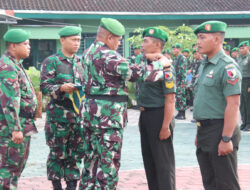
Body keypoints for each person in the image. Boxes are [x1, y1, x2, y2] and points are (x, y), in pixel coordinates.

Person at [80, 18, 170, 190]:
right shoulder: (109, 56)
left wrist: (145, 57)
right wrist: (160, 63)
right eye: (118, 40)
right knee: (108, 164)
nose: (119, 43)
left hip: (90, 114)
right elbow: (140, 75)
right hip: (108, 117)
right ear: (109, 37)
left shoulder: (89, 52)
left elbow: (121, 67)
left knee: (91, 161)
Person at [193, 20, 242, 190]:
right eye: (198, 38)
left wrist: (226, 138)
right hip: (205, 130)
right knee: (210, 181)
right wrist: (200, 131)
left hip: (220, 130)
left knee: (226, 183)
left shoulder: (227, 67)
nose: (198, 42)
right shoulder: (204, 65)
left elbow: (233, 104)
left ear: (216, 39)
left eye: (202, 37)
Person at [40, 26, 84, 190]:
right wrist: (60, 88)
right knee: (57, 153)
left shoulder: (80, 62)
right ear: (62, 40)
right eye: (73, 40)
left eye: (79, 40)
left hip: (77, 116)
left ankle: (72, 185)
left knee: (76, 152)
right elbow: (44, 87)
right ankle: (56, 184)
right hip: (58, 116)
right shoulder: (52, 61)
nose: (77, 43)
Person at [136, 27, 176, 190]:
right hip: (146, 115)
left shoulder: (166, 68)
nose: (142, 44)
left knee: (163, 164)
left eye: (146, 41)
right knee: (150, 161)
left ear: (158, 44)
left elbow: (170, 99)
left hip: (160, 116)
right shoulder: (145, 63)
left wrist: (166, 126)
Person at [0, 29, 38, 189]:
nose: (29, 47)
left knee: (16, 168)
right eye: (25, 44)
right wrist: (16, 128)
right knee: (9, 169)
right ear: (13, 46)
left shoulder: (15, 64)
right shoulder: (8, 67)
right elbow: (10, 101)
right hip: (12, 127)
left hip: (23, 123)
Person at [172, 43, 187, 119]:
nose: (173, 50)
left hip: (180, 81)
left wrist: (182, 82)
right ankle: (179, 112)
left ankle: (182, 114)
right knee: (178, 97)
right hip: (176, 80)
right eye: (173, 49)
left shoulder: (182, 58)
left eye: (175, 49)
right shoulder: (176, 58)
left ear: (179, 49)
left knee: (181, 97)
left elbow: (182, 71)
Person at [238, 41, 250, 131]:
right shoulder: (239, 57)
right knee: (242, 103)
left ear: (248, 48)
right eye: (240, 48)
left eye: (243, 48)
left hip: (247, 81)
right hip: (240, 81)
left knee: (248, 103)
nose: (241, 50)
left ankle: (249, 123)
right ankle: (244, 122)